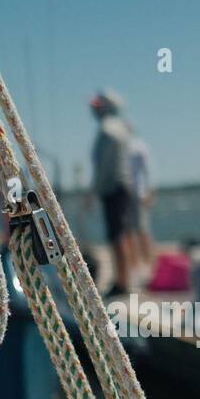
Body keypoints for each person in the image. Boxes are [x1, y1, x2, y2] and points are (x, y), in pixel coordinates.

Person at [86, 89, 133, 296]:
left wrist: (93, 191)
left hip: (113, 188)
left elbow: (103, 166)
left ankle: (122, 282)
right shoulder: (121, 128)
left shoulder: (107, 130)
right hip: (120, 187)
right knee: (120, 234)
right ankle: (123, 278)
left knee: (116, 236)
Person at [127, 128, 156, 276]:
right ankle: (135, 265)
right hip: (126, 194)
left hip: (138, 194)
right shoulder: (126, 147)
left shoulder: (138, 147)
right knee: (130, 231)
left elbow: (147, 170)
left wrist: (148, 192)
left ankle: (149, 264)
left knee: (142, 230)